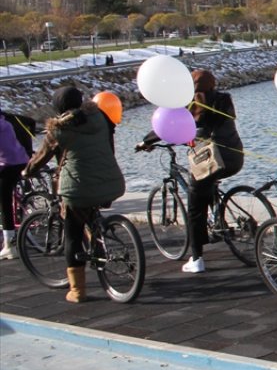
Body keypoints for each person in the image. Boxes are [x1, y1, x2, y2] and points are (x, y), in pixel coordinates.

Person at [24, 87, 125, 303]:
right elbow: (109, 146)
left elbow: (41, 157)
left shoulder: (59, 130)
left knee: (72, 233)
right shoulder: (100, 117)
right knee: (90, 211)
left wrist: (27, 172)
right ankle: (100, 240)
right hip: (112, 181)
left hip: (78, 189)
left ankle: (77, 291)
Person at [137, 70, 244, 273]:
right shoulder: (224, 100)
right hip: (235, 158)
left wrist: (146, 141)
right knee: (207, 186)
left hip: (211, 160)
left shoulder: (192, 105)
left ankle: (196, 259)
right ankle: (217, 217)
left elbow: (166, 125)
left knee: (195, 207)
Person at [0, 107, 36, 259]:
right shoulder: (6, 119)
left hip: (8, 165)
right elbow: (30, 122)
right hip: (23, 160)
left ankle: (9, 245)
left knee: (4, 200)